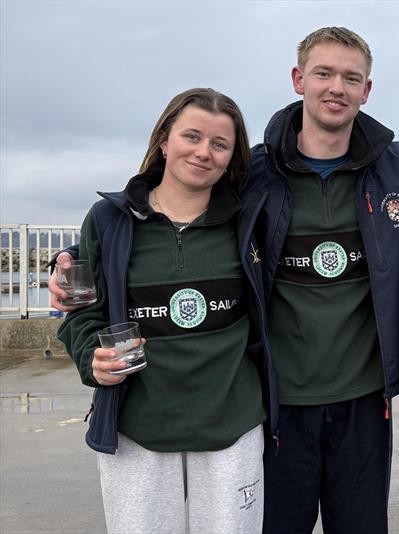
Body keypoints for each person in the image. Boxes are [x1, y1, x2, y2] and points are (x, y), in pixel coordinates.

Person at [50, 27, 399, 534]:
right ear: (299, 79)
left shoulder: (398, 168)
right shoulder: (253, 172)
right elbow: (167, 206)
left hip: (365, 399)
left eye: (351, 77)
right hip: (277, 400)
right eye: (323, 73)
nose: (336, 88)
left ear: (367, 90)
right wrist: (77, 255)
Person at [56, 88, 274, 533]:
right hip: (139, 427)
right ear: (164, 140)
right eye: (191, 136)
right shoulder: (107, 220)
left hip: (231, 422)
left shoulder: (251, 221)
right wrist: (90, 360)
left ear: (232, 158)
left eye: (219, 144)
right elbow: (80, 311)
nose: (203, 152)